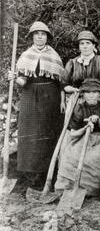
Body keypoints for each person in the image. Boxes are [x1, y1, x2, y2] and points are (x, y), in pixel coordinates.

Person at [8, 21, 64, 192]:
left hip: (50, 96)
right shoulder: (26, 55)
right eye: (37, 34)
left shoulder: (54, 56)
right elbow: (23, 81)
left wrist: (62, 100)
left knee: (47, 133)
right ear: (32, 37)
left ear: (47, 37)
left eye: (43, 34)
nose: (40, 37)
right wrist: (14, 78)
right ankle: (30, 174)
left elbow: (61, 81)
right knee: (29, 132)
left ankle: (46, 174)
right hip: (30, 96)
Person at [55, 79, 100, 196]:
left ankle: (90, 190)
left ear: (99, 93)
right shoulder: (79, 108)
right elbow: (72, 134)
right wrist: (85, 127)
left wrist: (99, 122)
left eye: (94, 92)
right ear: (83, 94)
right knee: (70, 155)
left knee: (95, 158)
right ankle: (66, 187)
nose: (91, 95)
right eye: (88, 92)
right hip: (82, 138)